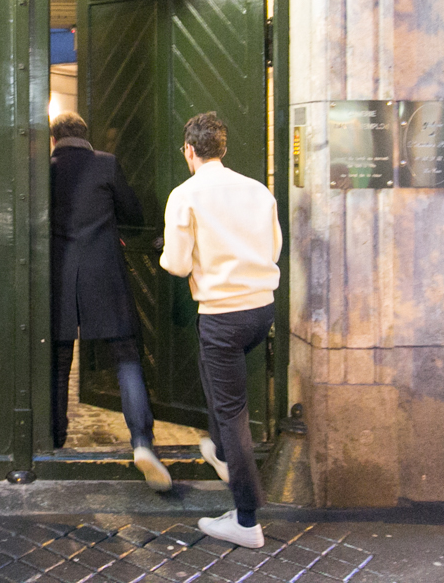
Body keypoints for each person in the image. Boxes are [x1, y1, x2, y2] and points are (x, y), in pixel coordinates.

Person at [159, 112, 280, 548]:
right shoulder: (258, 190)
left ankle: (246, 520)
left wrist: (168, 253)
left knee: (232, 414)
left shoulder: (185, 194)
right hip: (261, 311)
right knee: (214, 377)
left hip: (222, 316)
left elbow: (177, 264)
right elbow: (273, 248)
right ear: (223, 149)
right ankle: (223, 451)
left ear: (189, 151)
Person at [49, 111, 171, 491]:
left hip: (59, 277)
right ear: (86, 134)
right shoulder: (106, 164)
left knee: (58, 363)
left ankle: (55, 442)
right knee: (127, 358)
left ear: (54, 138)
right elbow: (133, 211)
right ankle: (142, 443)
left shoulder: (45, 170)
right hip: (104, 275)